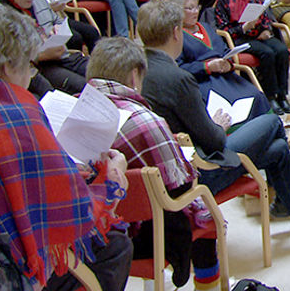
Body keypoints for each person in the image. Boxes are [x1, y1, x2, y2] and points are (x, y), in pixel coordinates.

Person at [137, 0, 290, 248]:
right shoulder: (178, 78)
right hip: (199, 171)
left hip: (169, 171)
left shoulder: (139, 71)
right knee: (272, 121)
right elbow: (215, 140)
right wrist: (218, 124)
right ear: (177, 33)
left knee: (278, 151)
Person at [0, 4, 131, 290]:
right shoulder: (17, 115)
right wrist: (112, 179)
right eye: (30, 65)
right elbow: (76, 213)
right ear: (7, 65)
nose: (31, 76)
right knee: (116, 246)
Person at [86, 37, 224, 289]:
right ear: (133, 76)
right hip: (145, 233)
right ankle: (208, 284)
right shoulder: (146, 121)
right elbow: (179, 186)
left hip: (89, 231)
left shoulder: (71, 109)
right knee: (202, 204)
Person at [170, 0, 272, 122]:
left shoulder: (206, 27)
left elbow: (224, 50)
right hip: (203, 81)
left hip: (226, 75)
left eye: (197, 7)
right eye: (190, 8)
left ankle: (267, 130)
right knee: (231, 104)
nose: (195, 12)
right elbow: (179, 68)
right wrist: (207, 67)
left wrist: (228, 64)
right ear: (177, 10)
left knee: (256, 95)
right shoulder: (176, 35)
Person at [0, 0, 89, 96]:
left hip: (62, 55)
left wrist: (58, 27)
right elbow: (2, 57)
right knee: (84, 87)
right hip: (37, 66)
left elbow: (57, 20)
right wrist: (39, 56)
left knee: (104, 71)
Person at [216, 0, 290, 115]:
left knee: (281, 50)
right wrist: (243, 28)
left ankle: (282, 95)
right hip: (239, 39)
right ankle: (270, 96)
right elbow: (223, 30)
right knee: (266, 53)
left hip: (258, 35)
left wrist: (266, 29)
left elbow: (265, 16)